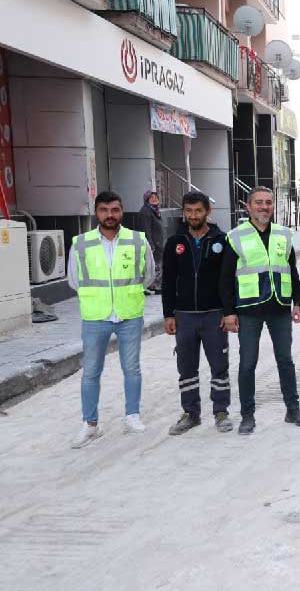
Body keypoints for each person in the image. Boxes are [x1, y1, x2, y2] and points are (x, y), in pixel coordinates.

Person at [67, 190, 156, 448]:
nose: (110, 215)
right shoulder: (81, 243)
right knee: (91, 372)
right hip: (96, 316)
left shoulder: (137, 241)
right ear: (96, 213)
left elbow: (148, 275)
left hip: (129, 314)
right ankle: (90, 424)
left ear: (122, 211)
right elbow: (74, 280)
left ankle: (132, 416)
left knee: (132, 368)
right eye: (104, 210)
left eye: (115, 210)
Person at [220, 186, 300, 434]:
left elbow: (291, 271)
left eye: (268, 202)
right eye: (258, 202)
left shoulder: (284, 234)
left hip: (279, 308)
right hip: (248, 310)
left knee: (285, 361)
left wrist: (297, 302)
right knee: (248, 363)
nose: (264, 207)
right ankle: (247, 415)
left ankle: (293, 409)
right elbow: (225, 279)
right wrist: (229, 312)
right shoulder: (235, 237)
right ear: (248, 206)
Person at [162, 191, 232, 435]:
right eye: (189, 211)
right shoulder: (175, 242)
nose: (193, 216)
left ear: (207, 212)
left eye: (198, 211)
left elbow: (228, 280)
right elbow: (168, 281)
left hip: (214, 315)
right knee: (186, 368)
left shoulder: (222, 240)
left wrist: (228, 312)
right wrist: (168, 314)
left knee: (219, 366)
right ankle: (191, 413)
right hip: (184, 316)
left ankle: (221, 412)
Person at [138, 189, 164, 294]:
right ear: (146, 199)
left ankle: (153, 285)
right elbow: (146, 228)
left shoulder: (154, 210)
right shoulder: (146, 211)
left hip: (157, 242)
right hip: (153, 243)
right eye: (151, 198)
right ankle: (154, 286)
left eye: (156, 197)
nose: (154, 199)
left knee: (154, 264)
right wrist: (150, 244)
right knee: (151, 265)